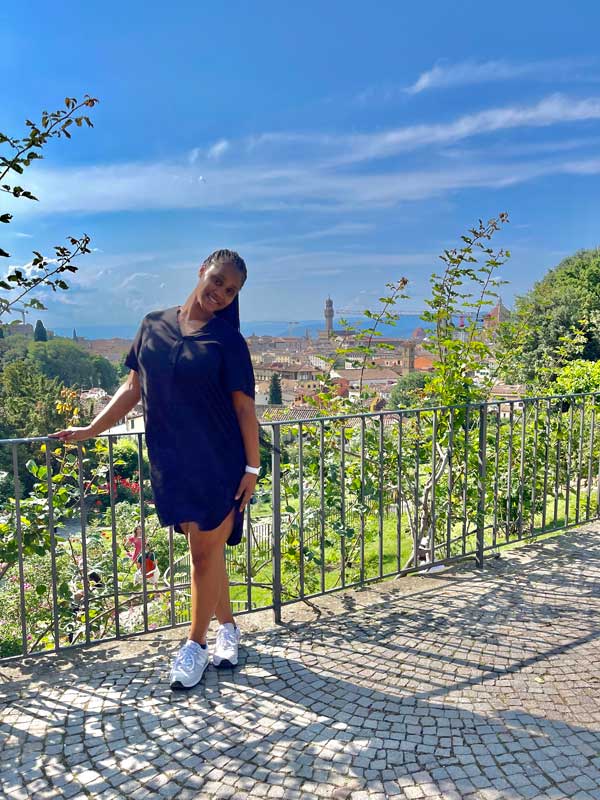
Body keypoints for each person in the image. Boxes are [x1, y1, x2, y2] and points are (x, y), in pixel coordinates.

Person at [51, 249, 260, 689]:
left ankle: (195, 646)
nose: (221, 293)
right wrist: (91, 428)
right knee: (205, 551)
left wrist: (251, 467)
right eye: (218, 280)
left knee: (203, 552)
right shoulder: (152, 324)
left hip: (217, 460)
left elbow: (244, 409)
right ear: (202, 269)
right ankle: (229, 628)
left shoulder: (227, 340)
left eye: (231, 290)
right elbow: (133, 389)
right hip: (170, 457)